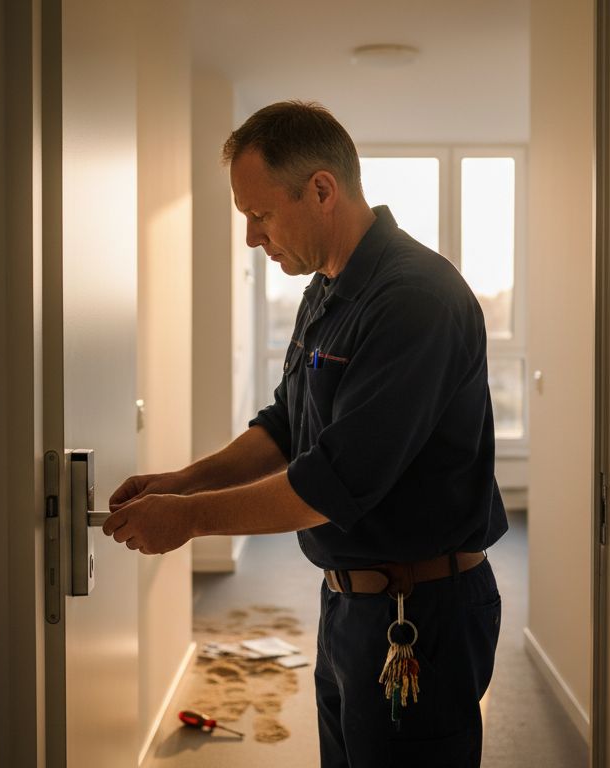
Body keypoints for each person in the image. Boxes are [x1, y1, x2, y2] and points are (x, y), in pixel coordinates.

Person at [102, 100, 507, 767]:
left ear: (322, 190)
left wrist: (189, 518)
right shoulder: (324, 289)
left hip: (421, 614)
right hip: (349, 606)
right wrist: (180, 482)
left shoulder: (414, 301)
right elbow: (286, 427)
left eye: (260, 215)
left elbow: (330, 482)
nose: (252, 239)